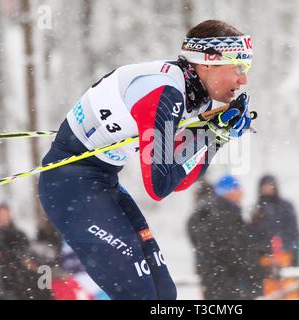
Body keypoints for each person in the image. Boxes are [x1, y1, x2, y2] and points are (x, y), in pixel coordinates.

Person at [38, 20, 253, 300]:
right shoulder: (165, 94)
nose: (243, 79)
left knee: (164, 294)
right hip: (71, 188)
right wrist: (210, 135)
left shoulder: (192, 95)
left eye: (245, 69)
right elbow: (159, 185)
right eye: (238, 67)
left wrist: (216, 138)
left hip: (102, 183)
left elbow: (179, 177)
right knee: (140, 296)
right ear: (208, 63)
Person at [248, 175, 299, 299]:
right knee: (271, 291)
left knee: (290, 289)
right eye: (264, 186)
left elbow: (293, 231)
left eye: (270, 185)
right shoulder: (257, 209)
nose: (268, 189)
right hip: (266, 257)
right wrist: (261, 253)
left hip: (285, 255)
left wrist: (291, 252)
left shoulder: (285, 206)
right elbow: (253, 235)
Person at [0, 203, 54, 300]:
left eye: (5, 213)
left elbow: (25, 253)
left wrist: (24, 259)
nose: (3, 217)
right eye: (1, 214)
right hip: (4, 276)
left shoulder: (18, 234)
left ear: (9, 214)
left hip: (19, 275)